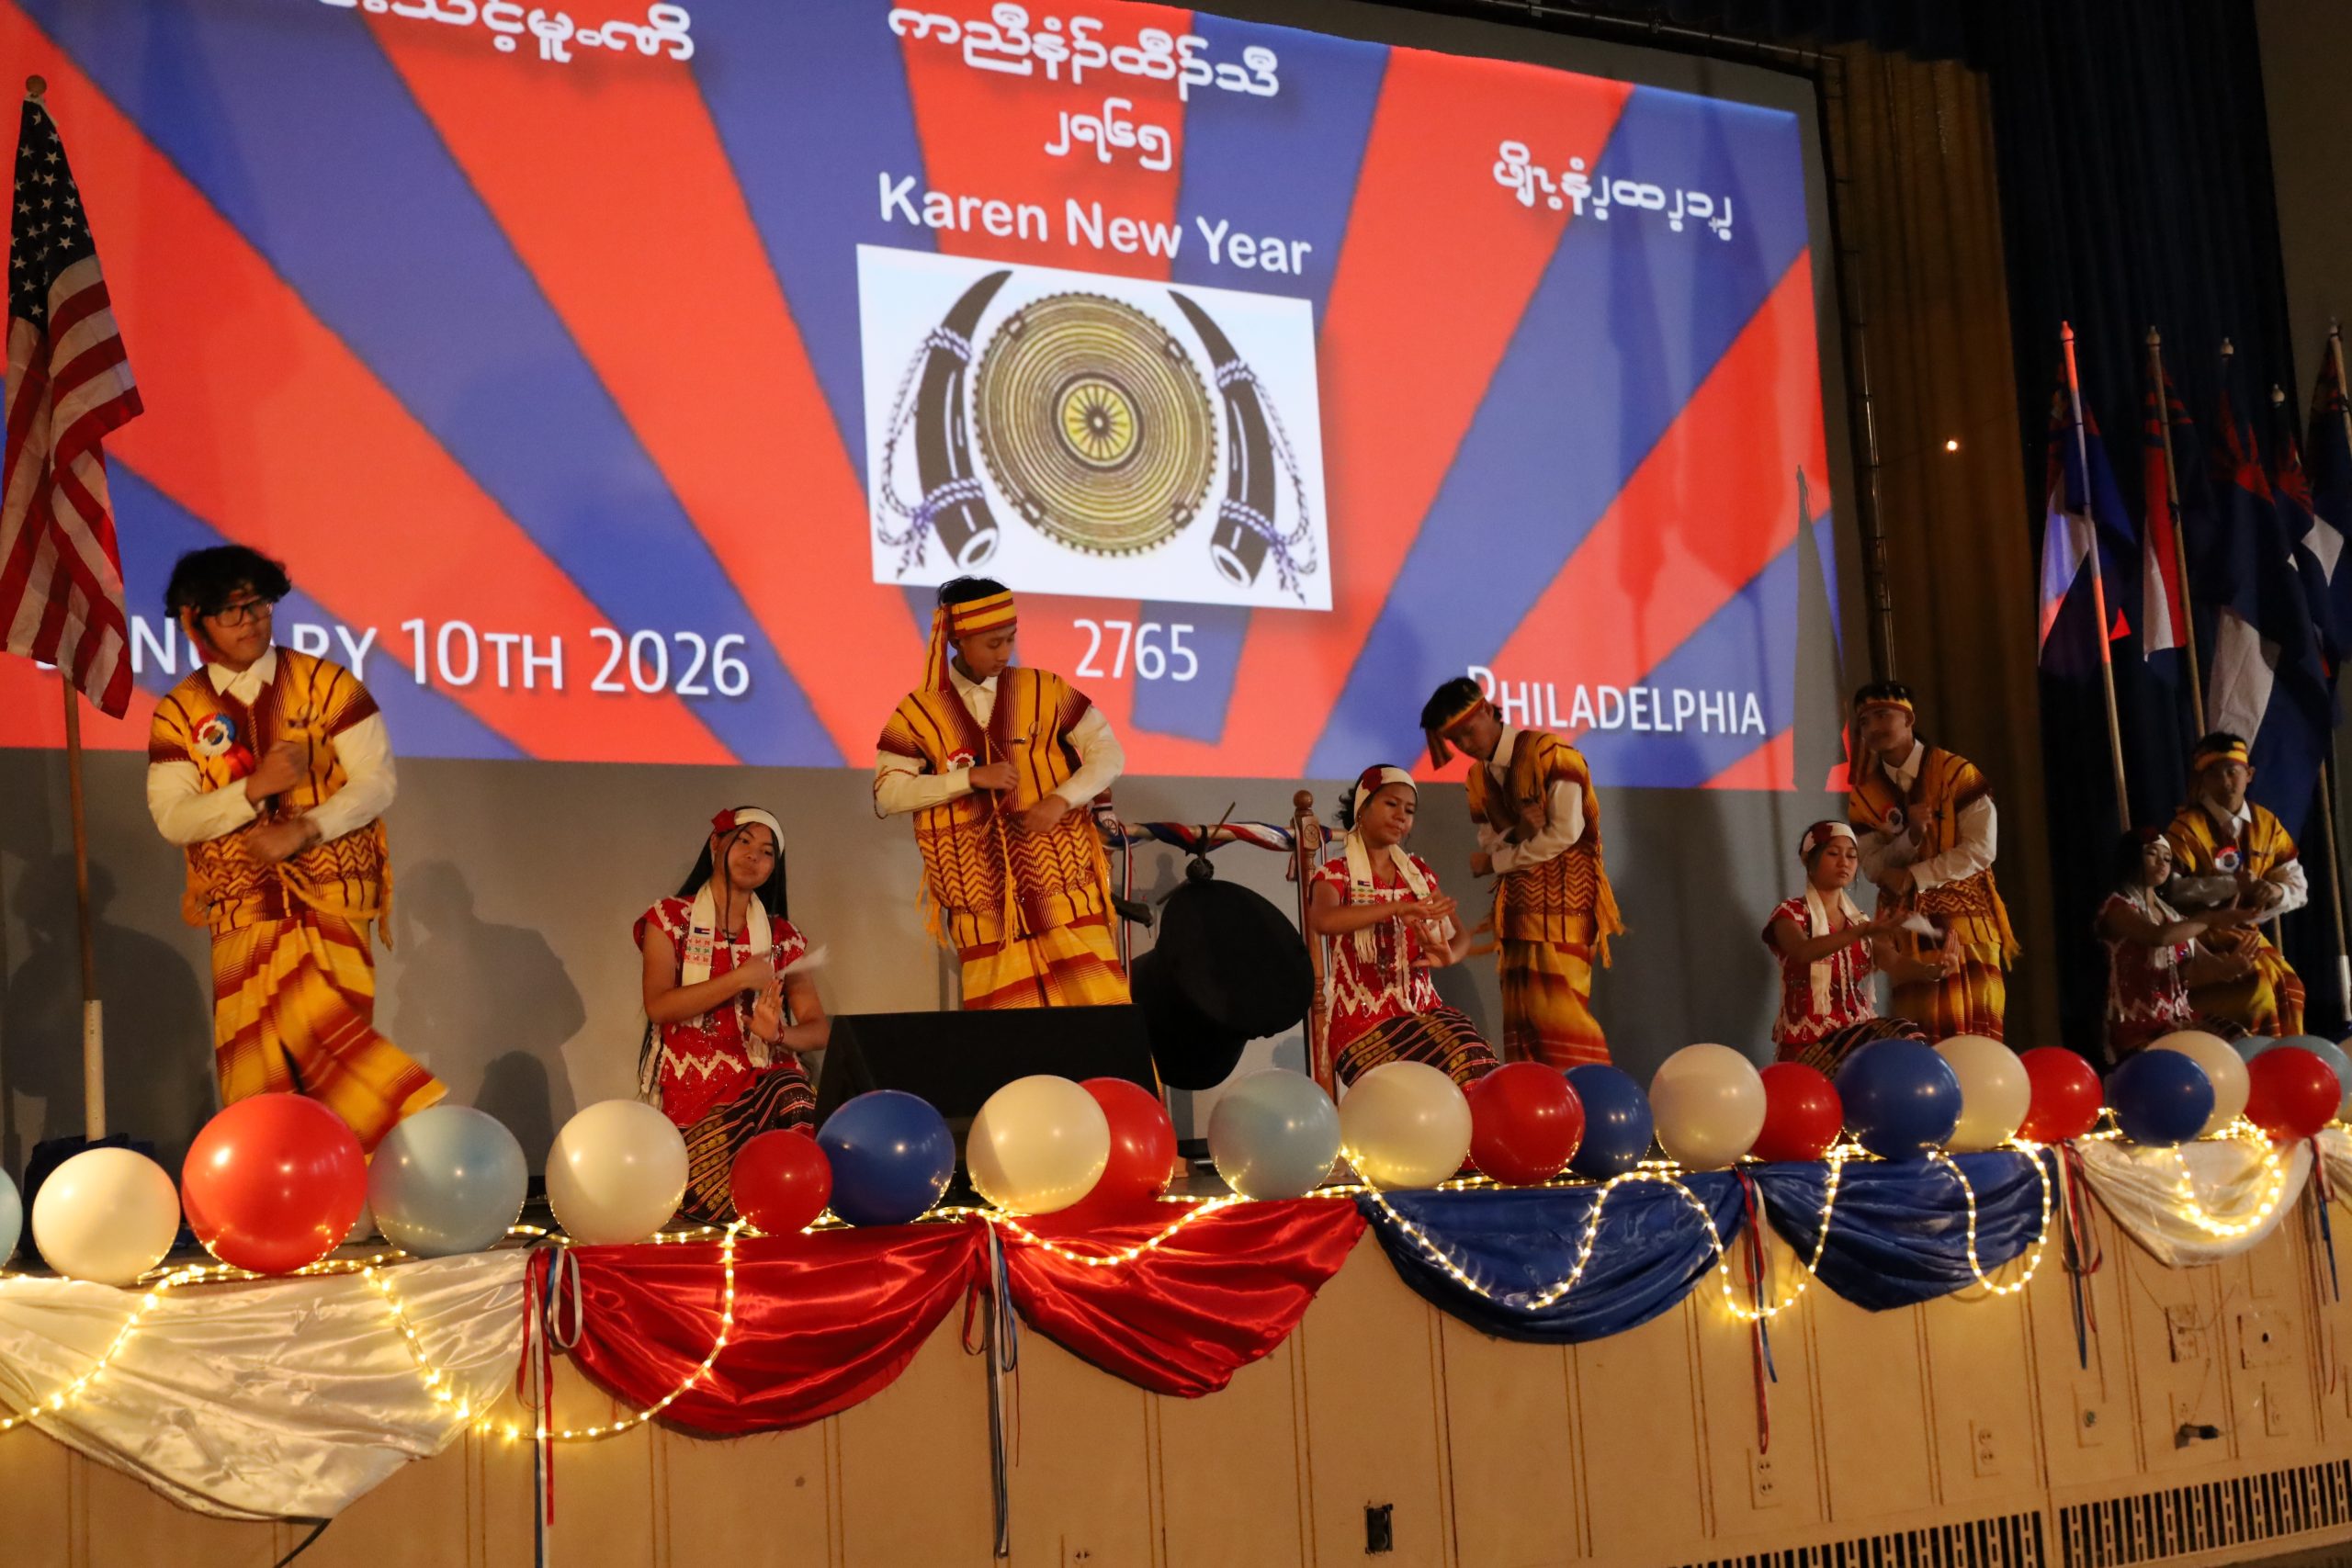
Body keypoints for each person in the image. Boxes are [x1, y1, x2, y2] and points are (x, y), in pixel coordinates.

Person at [145, 546, 444, 1150]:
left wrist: (305, 829)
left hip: (332, 900)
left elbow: (376, 782)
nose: (252, 621)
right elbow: (173, 817)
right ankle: (270, 1188)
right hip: (242, 911)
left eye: (259, 604)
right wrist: (254, 789)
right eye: (232, 611)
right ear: (195, 620)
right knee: (254, 1079)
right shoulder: (180, 712)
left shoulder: (327, 684)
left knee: (335, 1052)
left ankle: (364, 1182)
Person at [874, 578, 1129, 1009]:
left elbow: (1108, 752)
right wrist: (969, 779)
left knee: (1099, 1023)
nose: (1004, 652)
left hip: (1065, 896)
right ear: (958, 640)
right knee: (1009, 1038)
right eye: (993, 643)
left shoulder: (1044, 689)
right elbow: (889, 793)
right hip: (984, 915)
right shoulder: (919, 712)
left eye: (1010, 639)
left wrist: (1061, 798)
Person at [636, 807, 830, 1224]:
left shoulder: (783, 937)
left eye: (767, 852)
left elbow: (818, 1029)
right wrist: (740, 978)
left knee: (792, 1089)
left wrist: (779, 1034)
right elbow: (659, 1005)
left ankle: (795, 1207)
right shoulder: (669, 919)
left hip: (766, 1087)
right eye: (743, 841)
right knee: (718, 1210)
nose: (753, 856)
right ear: (716, 844)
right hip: (696, 1103)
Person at [1420, 677, 1623, 1068]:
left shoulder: (1551, 752)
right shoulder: (1477, 778)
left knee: (1562, 1022)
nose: (1465, 745)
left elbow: (1564, 833)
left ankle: (1586, 1102)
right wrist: (1519, 833)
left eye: (1468, 731)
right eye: (1455, 740)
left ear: (1486, 710)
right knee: (1523, 1027)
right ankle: (1542, 1105)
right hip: (1516, 910)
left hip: (1565, 903)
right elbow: (1490, 840)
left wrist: (1495, 862)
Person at [1306, 765, 1498, 1089]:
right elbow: (1323, 920)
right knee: (1454, 1055)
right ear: (1362, 809)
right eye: (1391, 804)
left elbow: (1459, 937)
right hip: (1361, 1026)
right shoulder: (1336, 873)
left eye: (1409, 810)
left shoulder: (1417, 874)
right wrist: (1396, 908)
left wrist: (1448, 956)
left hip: (1423, 1013)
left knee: (1473, 1054)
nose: (1401, 816)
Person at [1844, 681, 2018, 1041]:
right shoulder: (1866, 793)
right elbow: (1872, 866)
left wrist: (1914, 875)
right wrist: (1910, 838)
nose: (1873, 727)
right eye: (1864, 722)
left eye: (1882, 715)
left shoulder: (1956, 772)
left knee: (1975, 1041)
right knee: (1923, 1037)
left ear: (1909, 719)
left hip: (1966, 922)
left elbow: (1981, 848)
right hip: (1907, 931)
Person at [2163, 732, 2307, 1036]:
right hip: (2200, 937)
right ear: (2202, 780)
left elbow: (2298, 885)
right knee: (2257, 989)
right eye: (2214, 774)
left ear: (2249, 774)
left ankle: (2285, 1056)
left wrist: (2276, 891)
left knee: (2290, 985)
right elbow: (2170, 891)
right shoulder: (2186, 827)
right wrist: (2231, 886)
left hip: (2247, 933)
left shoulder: (2267, 824)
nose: (2225, 781)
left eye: (2232, 771)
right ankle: (2249, 1058)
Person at [1762, 820, 1932, 1074]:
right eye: (1833, 854)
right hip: (1810, 1048)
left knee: (1909, 1038)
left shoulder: (1859, 921)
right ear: (1808, 860)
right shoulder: (1791, 913)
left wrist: (1934, 970)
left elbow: (1894, 962)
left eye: (1852, 856)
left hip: (1855, 1037)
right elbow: (1803, 951)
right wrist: (1859, 932)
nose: (1844, 862)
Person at [2098, 828, 2257, 1057]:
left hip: (2178, 1021)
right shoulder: (2117, 908)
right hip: (2135, 1028)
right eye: (2152, 854)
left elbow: (2205, 965)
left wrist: (2230, 967)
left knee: (2237, 1040)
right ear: (2132, 856)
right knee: (2195, 1054)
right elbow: (2158, 937)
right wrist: (2209, 919)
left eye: (2167, 858)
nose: (2162, 863)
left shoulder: (2175, 918)